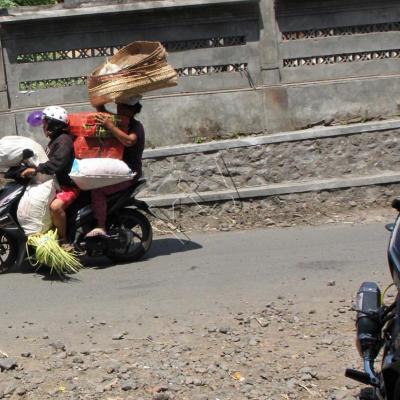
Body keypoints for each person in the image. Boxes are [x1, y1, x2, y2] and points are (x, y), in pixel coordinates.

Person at [86, 96, 145, 237]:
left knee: (98, 191)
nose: (118, 110)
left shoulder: (135, 126)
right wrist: (99, 99)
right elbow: (103, 113)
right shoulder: (118, 121)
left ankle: (101, 226)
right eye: (117, 106)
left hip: (129, 173)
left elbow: (129, 141)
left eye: (121, 107)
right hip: (114, 171)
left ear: (130, 110)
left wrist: (110, 126)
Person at [23, 106, 78, 246]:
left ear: (54, 124)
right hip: (56, 184)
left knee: (55, 207)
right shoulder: (55, 141)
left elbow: (56, 164)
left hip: (68, 186)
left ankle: (64, 240)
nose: (43, 126)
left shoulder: (64, 140)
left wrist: (36, 169)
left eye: (46, 123)